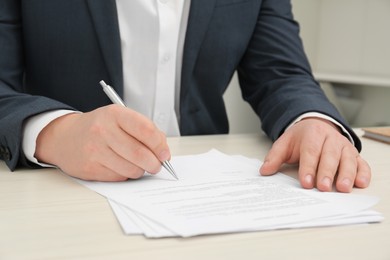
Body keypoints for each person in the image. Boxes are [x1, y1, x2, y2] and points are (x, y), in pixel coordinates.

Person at [0, 0, 370, 193]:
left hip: (207, 196)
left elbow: (282, 71)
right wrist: (56, 133)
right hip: (60, 192)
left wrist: (312, 120)